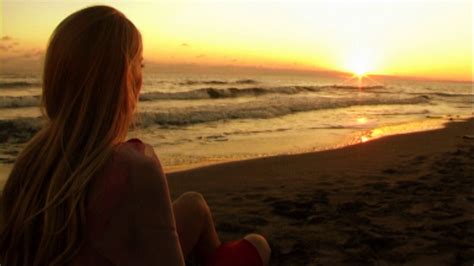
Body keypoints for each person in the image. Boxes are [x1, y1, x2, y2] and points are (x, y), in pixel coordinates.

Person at [0, 5, 270, 266]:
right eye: (139, 65)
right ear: (125, 80)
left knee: (194, 205)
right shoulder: (133, 168)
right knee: (257, 246)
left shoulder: (30, 161)